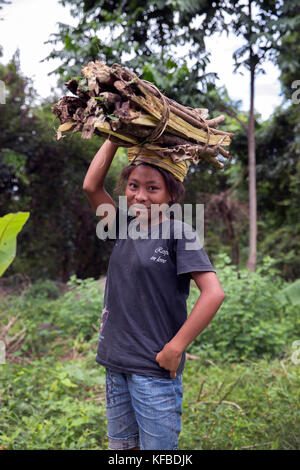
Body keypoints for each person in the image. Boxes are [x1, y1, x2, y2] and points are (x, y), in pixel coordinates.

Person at [83, 139, 226, 451]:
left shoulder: (179, 233)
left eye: (152, 188)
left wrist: (176, 347)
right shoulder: (123, 224)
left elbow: (213, 293)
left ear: (171, 194)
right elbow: (92, 186)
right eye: (133, 185)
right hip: (116, 362)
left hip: (154, 369)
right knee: (122, 449)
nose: (140, 196)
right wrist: (113, 137)